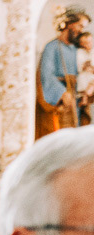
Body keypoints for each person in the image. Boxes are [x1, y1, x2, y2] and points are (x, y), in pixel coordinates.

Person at [36, 6, 90, 139]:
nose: (81, 31)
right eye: (80, 26)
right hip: (61, 102)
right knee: (60, 136)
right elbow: (46, 75)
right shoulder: (53, 47)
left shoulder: (77, 49)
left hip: (76, 101)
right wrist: (62, 93)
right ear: (69, 23)